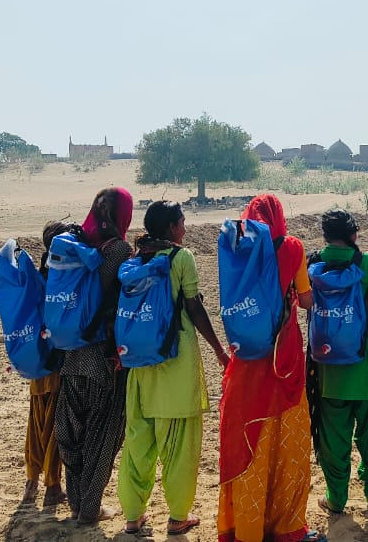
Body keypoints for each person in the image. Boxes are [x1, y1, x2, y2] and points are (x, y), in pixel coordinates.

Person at [118, 200, 229, 537]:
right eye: (181, 221)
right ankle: (178, 516)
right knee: (179, 447)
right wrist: (219, 350)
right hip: (176, 365)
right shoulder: (181, 258)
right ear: (170, 227)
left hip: (140, 365)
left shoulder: (136, 260)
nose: (185, 227)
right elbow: (194, 307)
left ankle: (133, 516)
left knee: (138, 444)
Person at [218, 194, 324, 542]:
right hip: (283, 357)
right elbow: (306, 301)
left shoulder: (236, 250)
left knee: (249, 435)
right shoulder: (292, 247)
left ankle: (246, 527)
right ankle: (286, 524)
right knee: (287, 440)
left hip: (246, 357)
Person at [53, 188, 133, 524]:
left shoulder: (76, 245)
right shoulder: (119, 250)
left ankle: (76, 503)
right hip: (104, 357)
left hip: (72, 354)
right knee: (102, 435)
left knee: (73, 432)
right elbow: (121, 299)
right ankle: (89, 509)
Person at [309, 209, 368, 514]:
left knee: (333, 434)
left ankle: (336, 498)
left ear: (325, 235)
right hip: (365, 359)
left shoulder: (314, 264)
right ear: (354, 234)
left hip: (328, 363)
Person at [20, 221, 69, 508]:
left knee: (36, 421)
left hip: (36, 359)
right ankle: (53, 487)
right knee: (54, 425)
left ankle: (31, 483)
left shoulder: (40, 275)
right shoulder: (61, 277)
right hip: (56, 360)